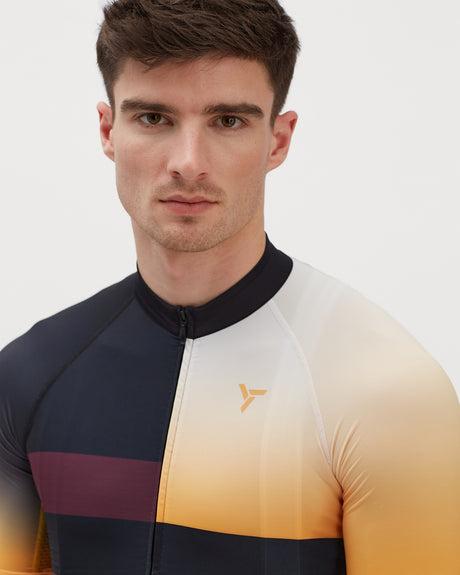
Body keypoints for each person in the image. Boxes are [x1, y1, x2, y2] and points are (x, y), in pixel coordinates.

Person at [0, 0, 459, 573]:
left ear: (278, 140)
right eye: (154, 118)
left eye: (228, 121)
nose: (188, 163)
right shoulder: (30, 374)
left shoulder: (388, 391)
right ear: (108, 130)